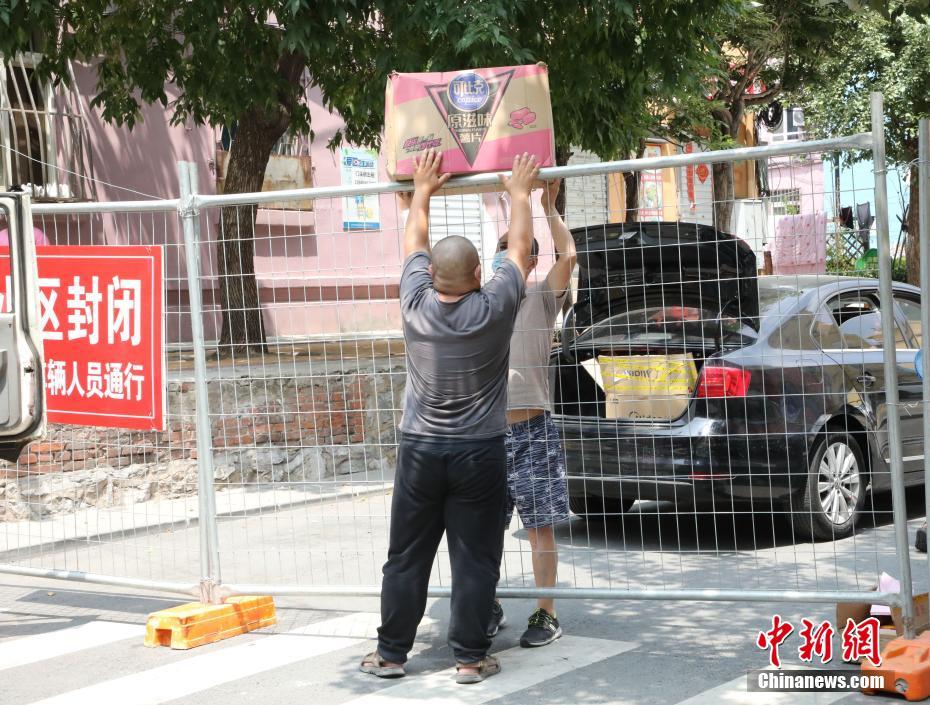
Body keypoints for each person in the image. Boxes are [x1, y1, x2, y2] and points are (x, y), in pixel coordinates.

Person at [360, 149, 540, 684]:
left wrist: (421, 191)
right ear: (480, 273)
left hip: (420, 450)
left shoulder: (414, 304)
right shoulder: (495, 307)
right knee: (475, 558)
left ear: (431, 275)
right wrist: (520, 194)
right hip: (479, 453)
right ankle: (469, 658)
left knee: (406, 556)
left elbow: (414, 243)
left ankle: (391, 655)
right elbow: (521, 250)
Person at [487, 178, 576, 648]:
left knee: (540, 526)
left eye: (514, 249)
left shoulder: (542, 298)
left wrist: (548, 206)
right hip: (487, 433)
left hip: (532, 431)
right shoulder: (483, 305)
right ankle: (485, 603)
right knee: (483, 528)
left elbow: (570, 256)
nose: (505, 256)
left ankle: (546, 612)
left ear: (530, 259)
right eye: (500, 249)